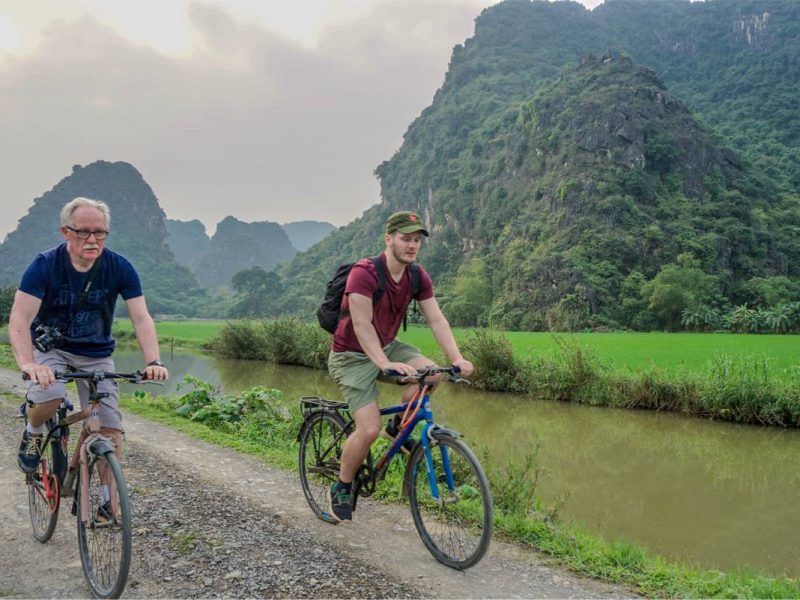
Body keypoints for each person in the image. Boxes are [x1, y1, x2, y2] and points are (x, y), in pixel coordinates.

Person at [326, 210, 474, 522]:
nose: (412, 245)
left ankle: (399, 426)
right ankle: (341, 484)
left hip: (389, 346)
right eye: (405, 238)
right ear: (389, 239)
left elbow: (436, 319)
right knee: (367, 429)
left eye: (417, 240)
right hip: (351, 354)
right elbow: (362, 325)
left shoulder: (417, 276)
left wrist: (457, 359)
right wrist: (384, 362)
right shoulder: (364, 273)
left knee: (434, 373)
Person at [9, 197, 168, 474]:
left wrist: (154, 361)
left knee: (110, 432)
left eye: (100, 233)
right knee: (51, 395)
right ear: (66, 231)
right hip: (52, 348)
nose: (92, 239)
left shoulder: (120, 267)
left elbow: (141, 318)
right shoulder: (45, 265)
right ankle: (33, 431)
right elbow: (20, 319)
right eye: (84, 231)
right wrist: (28, 363)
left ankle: (109, 508)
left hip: (96, 353)